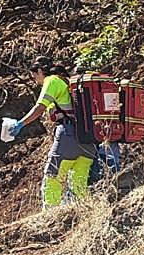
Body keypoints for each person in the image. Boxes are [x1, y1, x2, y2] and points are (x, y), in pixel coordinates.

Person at [9, 57, 96, 206]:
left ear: (41, 71)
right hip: (89, 138)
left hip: (68, 135)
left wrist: (20, 124)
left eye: (34, 74)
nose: (34, 78)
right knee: (78, 183)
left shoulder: (52, 81)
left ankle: (49, 216)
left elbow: (40, 107)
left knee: (52, 178)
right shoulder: (67, 81)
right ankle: (82, 213)